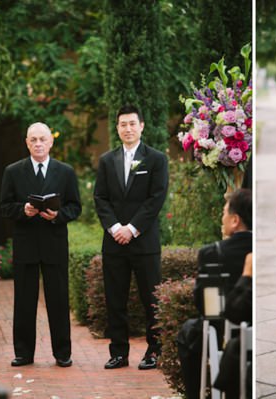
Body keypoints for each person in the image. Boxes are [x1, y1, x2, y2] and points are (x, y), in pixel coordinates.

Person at [0, 122, 81, 367]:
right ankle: (23, 353)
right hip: (26, 245)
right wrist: (22, 209)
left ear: (50, 142)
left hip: (54, 243)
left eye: (42, 139)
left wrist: (58, 216)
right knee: (24, 301)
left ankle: (63, 353)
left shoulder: (65, 172)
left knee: (58, 299)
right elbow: (4, 207)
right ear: (27, 143)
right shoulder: (13, 171)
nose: (38, 144)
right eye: (33, 139)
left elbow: (75, 207)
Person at [94, 105, 169, 370]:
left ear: (142, 126)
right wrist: (115, 228)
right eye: (123, 124)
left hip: (144, 241)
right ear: (117, 128)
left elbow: (156, 198)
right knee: (115, 300)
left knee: (152, 300)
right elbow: (100, 198)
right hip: (114, 242)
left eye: (132, 124)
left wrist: (132, 228)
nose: (128, 128)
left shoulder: (156, 159)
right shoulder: (106, 160)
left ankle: (154, 351)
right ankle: (118, 352)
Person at [177, 188, 252, 399]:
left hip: (219, 330)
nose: (223, 218)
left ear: (235, 220)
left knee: (189, 332)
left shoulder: (212, 252)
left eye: (224, 213)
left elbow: (204, 306)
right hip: (245, 330)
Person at [212, 252, 253, 399]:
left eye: (224, 225)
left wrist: (247, 275)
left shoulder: (216, 252)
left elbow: (233, 312)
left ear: (236, 226)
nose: (223, 226)